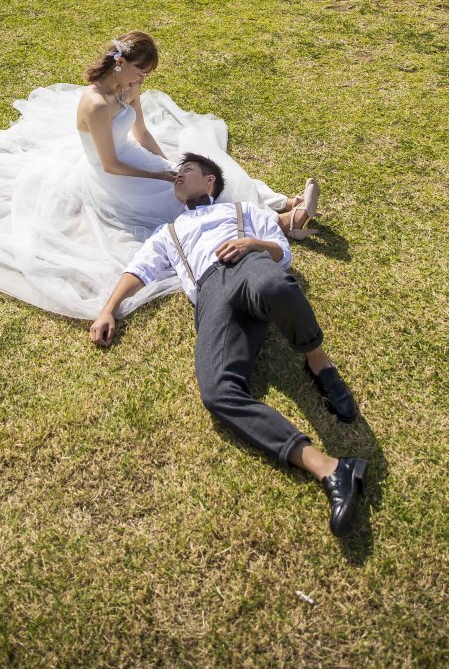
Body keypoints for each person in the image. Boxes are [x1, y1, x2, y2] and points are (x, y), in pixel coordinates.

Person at [0, 32, 317, 322]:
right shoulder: (95, 104)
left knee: (205, 173)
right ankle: (285, 221)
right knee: (187, 200)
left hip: (138, 159)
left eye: (145, 77)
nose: (140, 82)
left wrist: (172, 164)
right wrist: (161, 178)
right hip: (113, 177)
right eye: (139, 73)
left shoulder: (128, 91)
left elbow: (141, 134)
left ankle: (281, 203)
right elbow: (111, 163)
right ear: (120, 63)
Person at [90, 153, 366, 537]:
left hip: (249, 267)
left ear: (210, 182)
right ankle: (332, 469)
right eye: (177, 173)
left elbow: (281, 253)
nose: (179, 176)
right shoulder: (169, 232)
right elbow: (139, 269)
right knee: (216, 391)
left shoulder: (242, 210)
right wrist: (108, 310)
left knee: (275, 284)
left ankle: (318, 363)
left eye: (188, 171)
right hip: (211, 296)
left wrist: (253, 244)